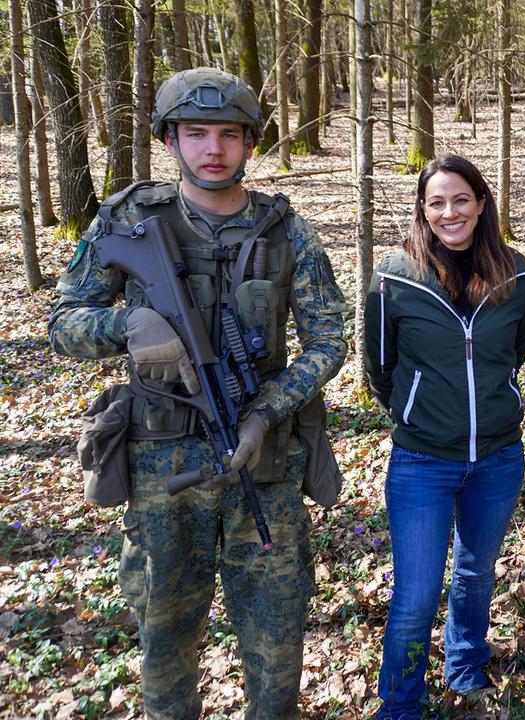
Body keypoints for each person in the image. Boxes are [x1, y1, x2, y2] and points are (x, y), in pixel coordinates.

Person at [48, 67, 347, 718]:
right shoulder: (129, 220)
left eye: (229, 135)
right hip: (162, 473)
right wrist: (127, 324)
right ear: (169, 139)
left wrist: (267, 412)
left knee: (276, 649)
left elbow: (330, 340)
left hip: (261, 470)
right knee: (165, 644)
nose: (213, 148)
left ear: (249, 143)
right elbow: (63, 324)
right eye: (195, 133)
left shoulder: (286, 231)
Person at [365, 155, 525, 719]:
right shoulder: (394, 276)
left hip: (496, 457)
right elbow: (379, 368)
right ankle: (401, 704)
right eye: (436, 202)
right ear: (422, 208)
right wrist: (419, 412)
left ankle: (465, 666)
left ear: (482, 203)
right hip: (422, 463)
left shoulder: (516, 273)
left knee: (475, 573)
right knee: (415, 597)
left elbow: (516, 352)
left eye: (461, 199)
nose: (449, 212)